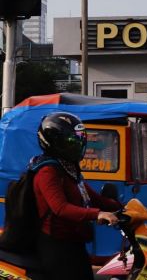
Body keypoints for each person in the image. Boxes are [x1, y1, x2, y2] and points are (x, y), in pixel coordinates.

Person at [33, 112, 122, 280]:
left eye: (79, 139)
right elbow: (60, 208)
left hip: (74, 244)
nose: (77, 144)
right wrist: (98, 214)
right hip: (56, 248)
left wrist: (122, 207)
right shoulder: (48, 171)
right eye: (72, 140)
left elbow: (93, 198)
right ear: (54, 142)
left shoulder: (69, 169)